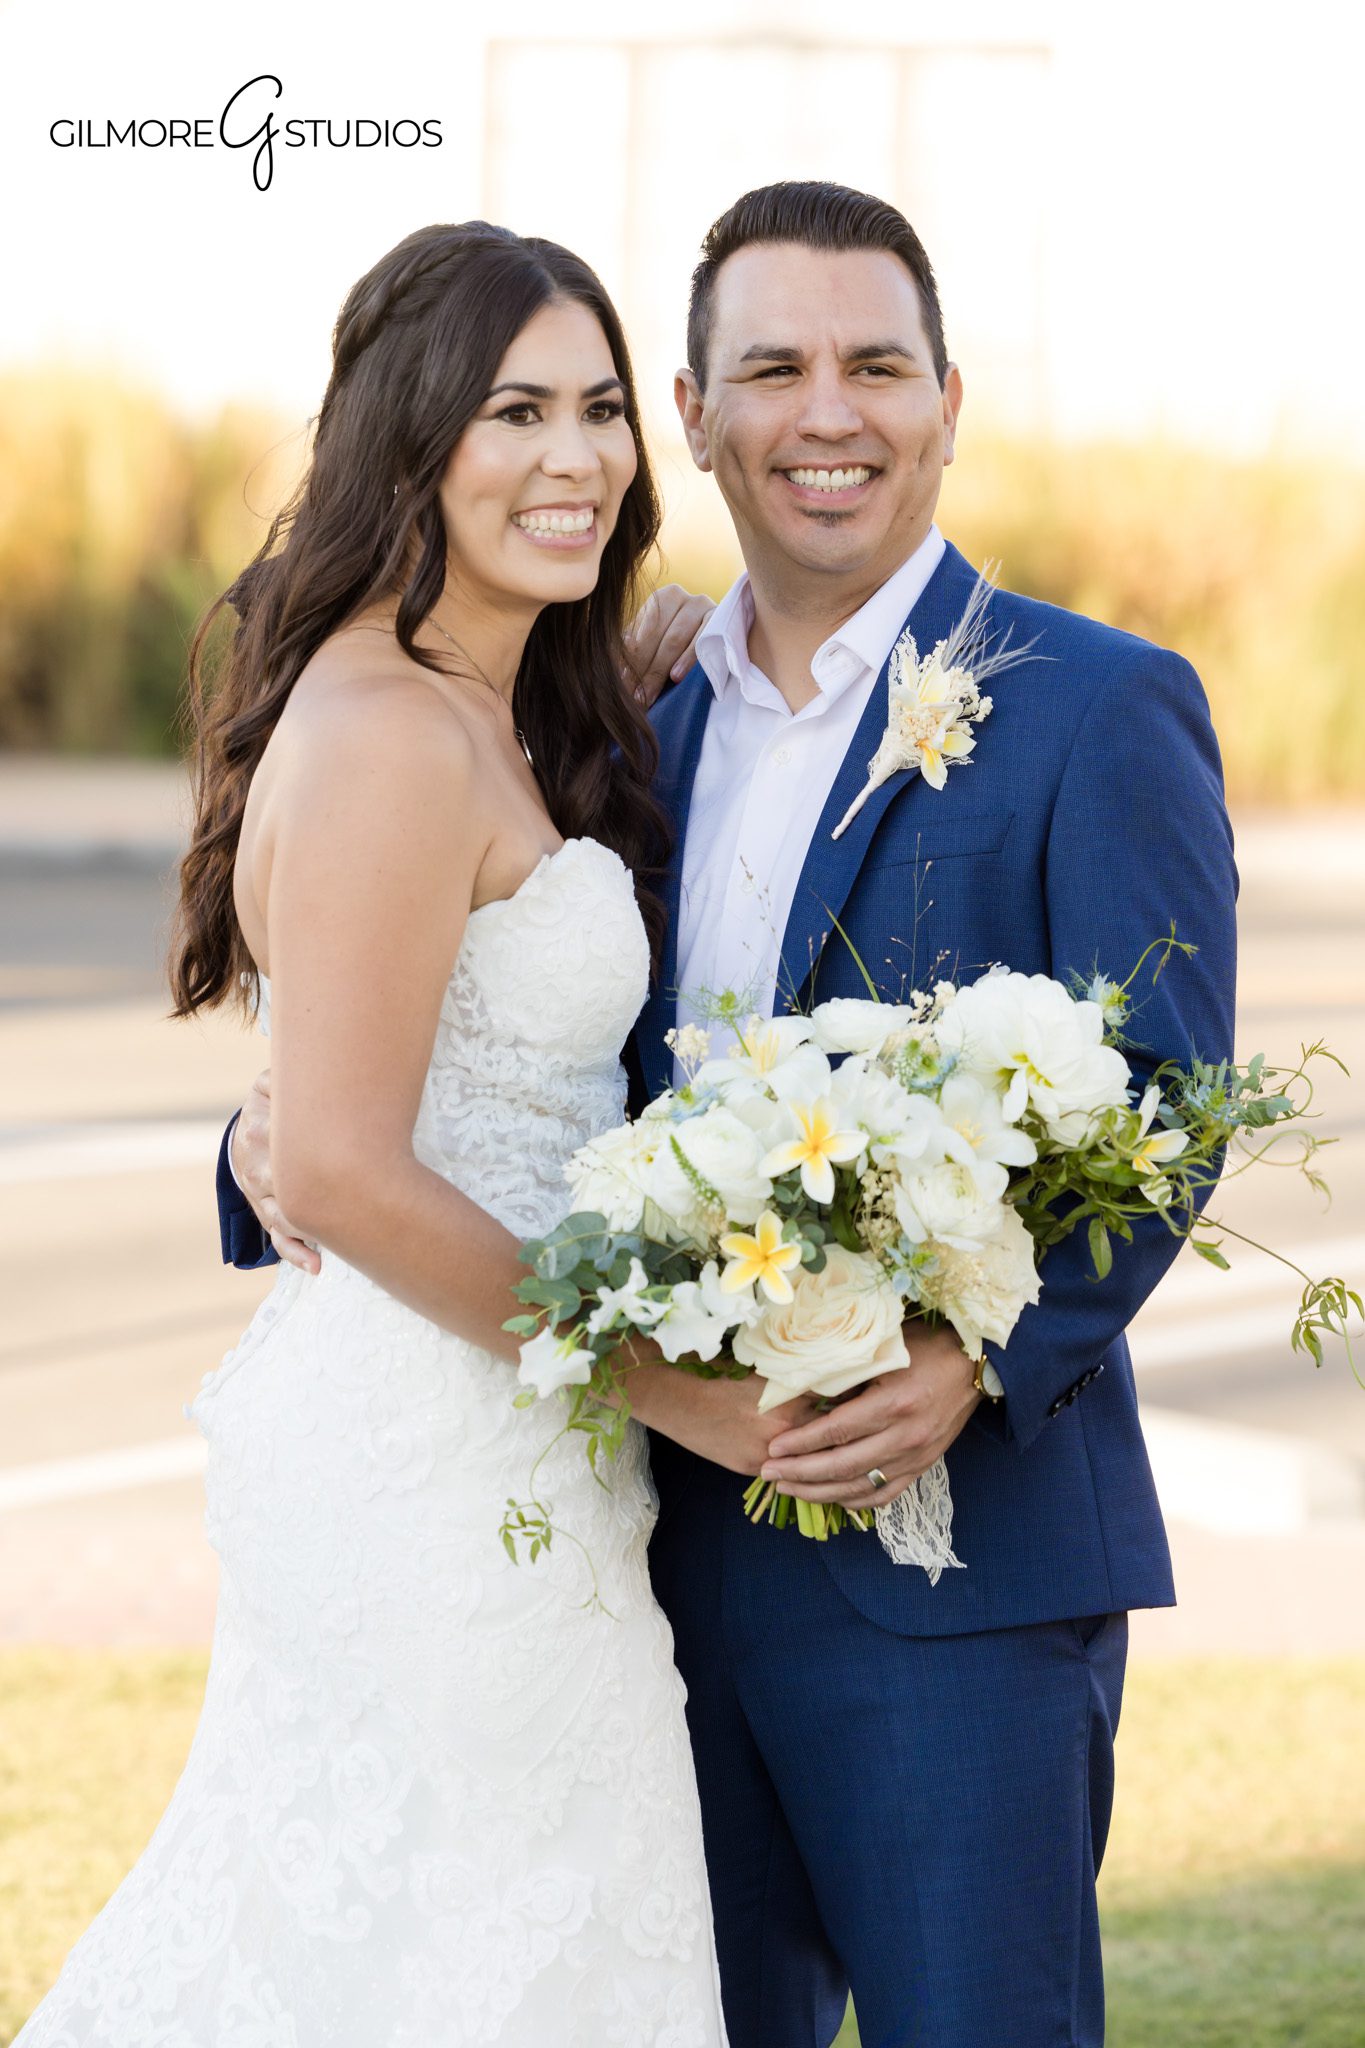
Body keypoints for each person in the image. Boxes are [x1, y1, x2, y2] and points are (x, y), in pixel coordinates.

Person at [222, 184, 1238, 2047]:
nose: (825, 413)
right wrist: (263, 1147)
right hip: (640, 1562)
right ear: (696, 417)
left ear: (950, 398)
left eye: (875, 365)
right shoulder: (616, 720)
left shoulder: (1099, 709)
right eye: (770, 368)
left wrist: (975, 1359)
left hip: (956, 1579)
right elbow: (455, 1031)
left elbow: (1170, 1102)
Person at [15, 222, 734, 2047]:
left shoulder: (483, 704)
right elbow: (332, 1162)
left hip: (499, 1430)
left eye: (597, 411)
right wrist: (675, 1384)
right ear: (409, 441)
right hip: (437, 1455)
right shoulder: (390, 728)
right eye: (515, 412)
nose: (575, 459)